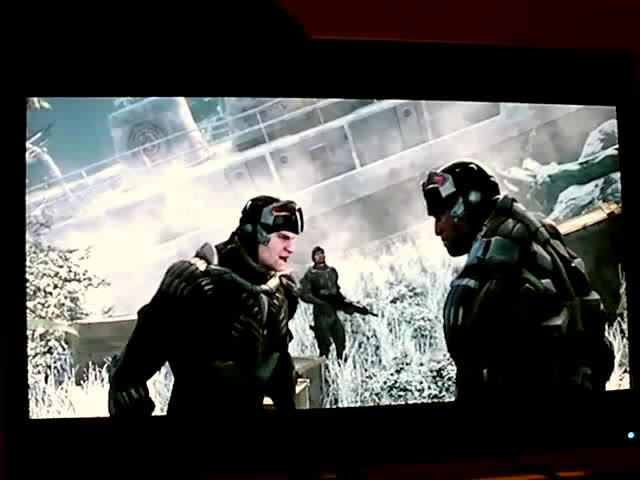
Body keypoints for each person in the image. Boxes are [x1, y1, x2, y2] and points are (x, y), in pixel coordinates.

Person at [420, 158, 614, 401]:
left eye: (441, 216)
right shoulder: (541, 234)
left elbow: (469, 367)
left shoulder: (490, 266)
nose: (437, 230)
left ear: (467, 204)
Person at [108, 195, 305, 417]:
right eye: (282, 237)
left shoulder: (282, 290)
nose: (291, 248)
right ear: (253, 232)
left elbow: (276, 361)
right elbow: (130, 376)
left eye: (293, 239)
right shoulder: (194, 281)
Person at [299, 246, 357, 361]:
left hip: (333, 313)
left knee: (341, 342)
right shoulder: (310, 274)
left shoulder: (332, 271)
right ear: (313, 258)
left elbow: (337, 292)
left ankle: (340, 368)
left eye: (321, 253)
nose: (320, 256)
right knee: (324, 346)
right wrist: (321, 303)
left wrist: (346, 305)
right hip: (321, 315)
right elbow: (304, 295)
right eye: (317, 254)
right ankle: (325, 369)